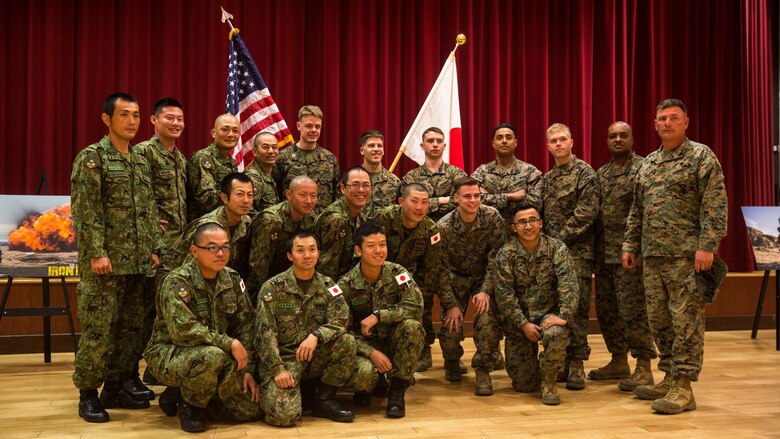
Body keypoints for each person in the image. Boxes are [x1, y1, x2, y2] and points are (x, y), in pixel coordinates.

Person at [623, 99, 728, 414]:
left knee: (686, 321)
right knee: (659, 320)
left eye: (673, 118)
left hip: (686, 257)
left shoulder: (700, 156)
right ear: (655, 124)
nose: (667, 123)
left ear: (686, 122)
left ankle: (684, 386)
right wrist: (630, 245)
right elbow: (637, 209)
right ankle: (668, 376)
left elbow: (715, 203)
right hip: (652, 256)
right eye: (661, 119)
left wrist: (708, 244)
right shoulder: (649, 163)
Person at [70, 92, 160, 422]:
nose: (132, 121)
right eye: (124, 115)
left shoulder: (139, 160)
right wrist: (96, 253)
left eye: (136, 115)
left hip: (137, 263)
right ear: (107, 119)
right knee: (98, 331)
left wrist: (153, 249)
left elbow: (148, 209)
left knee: (130, 330)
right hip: (105, 264)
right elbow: (86, 210)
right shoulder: (92, 158)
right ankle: (88, 394)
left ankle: (115, 386)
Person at [144, 223, 262, 433]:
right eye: (212, 247)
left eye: (225, 247)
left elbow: (246, 325)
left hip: (215, 353)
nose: (220, 253)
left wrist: (247, 369)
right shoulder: (177, 282)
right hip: (168, 352)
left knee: (249, 411)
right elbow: (183, 331)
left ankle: (183, 393)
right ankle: (191, 407)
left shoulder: (232, 279)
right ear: (194, 251)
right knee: (212, 356)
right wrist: (229, 343)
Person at [254, 231, 356, 426]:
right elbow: (264, 333)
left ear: (318, 253)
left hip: (313, 355)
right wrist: (277, 370)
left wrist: (316, 336)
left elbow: (341, 321)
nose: (307, 255)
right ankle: (299, 391)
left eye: (312, 250)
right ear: (290, 256)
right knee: (284, 417)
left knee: (346, 341)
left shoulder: (328, 286)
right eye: (300, 251)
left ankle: (323, 400)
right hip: (285, 359)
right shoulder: (273, 288)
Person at [590, 121, 659, 390]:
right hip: (604, 254)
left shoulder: (645, 169)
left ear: (632, 138)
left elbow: (648, 212)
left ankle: (644, 366)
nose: (617, 139)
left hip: (631, 254)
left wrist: (641, 252)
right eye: (612, 136)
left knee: (634, 311)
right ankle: (618, 360)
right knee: (608, 311)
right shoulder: (601, 174)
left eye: (623, 135)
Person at [492, 204, 579, 405]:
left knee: (555, 333)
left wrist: (563, 315)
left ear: (540, 223)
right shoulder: (506, 254)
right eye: (522, 222)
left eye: (532, 220)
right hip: (520, 322)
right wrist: (523, 323)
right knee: (524, 384)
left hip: (550, 315)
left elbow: (569, 285)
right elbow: (505, 295)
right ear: (514, 227)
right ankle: (551, 365)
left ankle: (549, 381)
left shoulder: (556, 248)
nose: (528, 226)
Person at [338, 222, 424, 417]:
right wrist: (371, 352)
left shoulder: (398, 274)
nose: (379, 251)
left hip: (394, 340)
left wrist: (379, 315)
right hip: (365, 347)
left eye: (382, 245)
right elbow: (342, 330)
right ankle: (371, 385)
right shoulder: (346, 284)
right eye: (371, 246)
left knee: (413, 327)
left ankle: (397, 390)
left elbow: (416, 306)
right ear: (358, 250)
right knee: (363, 376)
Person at [540, 123, 601, 390]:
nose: (559, 144)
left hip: (576, 252)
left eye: (563, 139)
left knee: (574, 308)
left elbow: (586, 213)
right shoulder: (548, 179)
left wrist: (559, 241)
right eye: (554, 140)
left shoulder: (585, 173)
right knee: (556, 305)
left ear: (572, 142)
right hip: (551, 254)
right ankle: (561, 360)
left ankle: (577, 362)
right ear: (548, 146)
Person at [373, 183, 459, 372]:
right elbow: (369, 253)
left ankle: (423, 346)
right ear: (401, 202)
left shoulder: (430, 230)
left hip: (407, 280)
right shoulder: (384, 218)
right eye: (414, 202)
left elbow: (431, 270)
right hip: (377, 276)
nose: (419, 208)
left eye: (424, 202)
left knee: (421, 298)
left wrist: (415, 298)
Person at [133, 96, 189, 389]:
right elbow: (139, 199)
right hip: (155, 248)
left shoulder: (180, 159)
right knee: (148, 310)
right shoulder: (143, 153)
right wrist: (153, 243)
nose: (176, 123)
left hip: (178, 248)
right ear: (154, 120)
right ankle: (136, 371)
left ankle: (158, 369)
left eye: (180, 119)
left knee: (170, 309)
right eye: (169, 118)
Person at [437, 177, 507, 394]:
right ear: (456, 198)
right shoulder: (444, 226)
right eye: (467, 196)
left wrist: (485, 290)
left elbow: (497, 258)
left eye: (477, 195)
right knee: (450, 328)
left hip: (482, 277)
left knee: (486, 321)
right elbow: (441, 269)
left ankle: (483, 369)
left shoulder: (492, 217)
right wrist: (450, 305)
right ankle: (451, 361)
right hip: (454, 278)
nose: (473, 200)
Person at [160, 173, 254, 282]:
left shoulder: (246, 222)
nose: (246, 200)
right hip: (175, 281)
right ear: (224, 198)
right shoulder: (207, 227)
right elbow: (189, 271)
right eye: (240, 194)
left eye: (250, 195)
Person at [248, 176, 318, 300]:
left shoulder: (311, 217)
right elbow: (258, 270)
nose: (309, 201)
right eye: (303, 195)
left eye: (313, 196)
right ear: (289, 195)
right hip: (266, 287)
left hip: (291, 283)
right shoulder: (270, 221)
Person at [472, 123, 543, 227]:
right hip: (488, 234)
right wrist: (511, 197)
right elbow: (470, 201)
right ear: (493, 143)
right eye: (499, 138)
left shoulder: (530, 171)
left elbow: (536, 204)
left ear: (515, 143)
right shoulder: (482, 171)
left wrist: (490, 198)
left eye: (508, 137)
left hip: (520, 235)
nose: (504, 141)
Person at [273, 105, 339, 213]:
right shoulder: (283, 158)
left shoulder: (329, 159)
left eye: (317, 127)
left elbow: (335, 196)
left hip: (321, 222)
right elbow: (276, 194)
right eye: (309, 126)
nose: (314, 130)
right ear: (299, 126)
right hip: (292, 223)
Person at [315, 166, 373, 279]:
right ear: (343, 188)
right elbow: (327, 269)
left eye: (366, 185)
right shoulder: (336, 220)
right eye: (355, 185)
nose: (361, 190)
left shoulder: (359, 215)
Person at [401, 127, 468, 221]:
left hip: (451, 229)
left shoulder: (457, 174)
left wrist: (427, 204)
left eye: (439, 141)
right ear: (422, 146)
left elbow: (463, 202)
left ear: (444, 146)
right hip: (418, 228)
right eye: (430, 141)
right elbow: (408, 206)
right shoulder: (411, 177)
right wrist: (442, 200)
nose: (435, 145)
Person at [187, 114, 240, 221]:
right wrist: (238, 199)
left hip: (225, 222)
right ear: (213, 133)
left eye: (235, 131)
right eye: (225, 129)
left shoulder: (231, 162)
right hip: (204, 226)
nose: (231, 134)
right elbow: (207, 200)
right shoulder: (203, 158)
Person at [359, 129, 401, 210]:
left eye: (379, 146)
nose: (376, 149)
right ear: (362, 150)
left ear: (383, 151)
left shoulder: (394, 182)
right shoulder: (351, 178)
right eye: (371, 145)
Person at [244, 131, 280, 213]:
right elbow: (247, 210)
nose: (271, 151)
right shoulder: (253, 177)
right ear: (255, 152)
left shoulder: (272, 173)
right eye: (265, 147)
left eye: (274, 147)